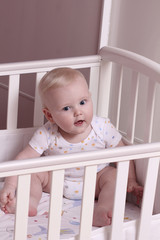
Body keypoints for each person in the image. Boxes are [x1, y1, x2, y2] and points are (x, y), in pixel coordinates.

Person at [0, 68, 143, 227]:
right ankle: (29, 202)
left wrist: (130, 179)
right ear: (50, 115)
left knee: (114, 175)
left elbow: (123, 154)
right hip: (56, 181)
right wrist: (10, 185)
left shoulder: (102, 127)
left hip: (95, 181)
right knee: (33, 171)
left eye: (83, 102)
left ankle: (102, 209)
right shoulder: (47, 133)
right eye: (67, 108)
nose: (78, 112)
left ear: (90, 98)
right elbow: (23, 159)